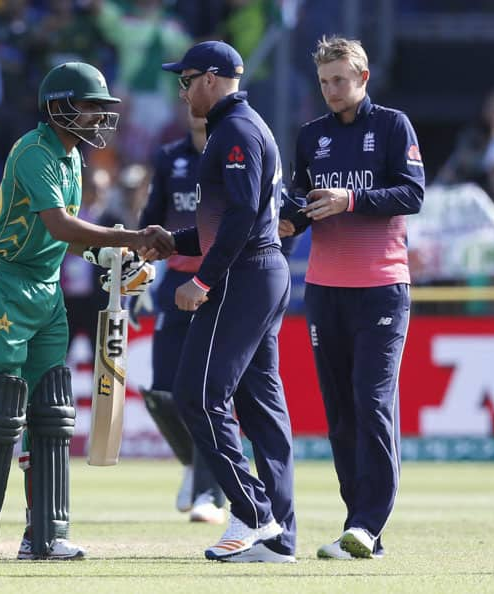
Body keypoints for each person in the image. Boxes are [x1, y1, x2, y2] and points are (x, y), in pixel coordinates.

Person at [0, 61, 172, 561]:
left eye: (100, 109)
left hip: (46, 290)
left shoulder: (72, 160)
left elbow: (65, 240)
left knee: (51, 407)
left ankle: (45, 534)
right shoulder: (33, 151)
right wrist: (129, 236)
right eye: (89, 107)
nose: (97, 117)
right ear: (58, 107)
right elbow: (62, 225)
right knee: (1, 403)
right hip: (2, 282)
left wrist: (111, 257)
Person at [280, 35, 425, 560]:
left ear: (363, 78)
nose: (331, 90)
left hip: (382, 287)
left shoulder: (391, 126)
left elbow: (412, 193)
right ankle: (359, 527)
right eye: (323, 81)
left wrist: (352, 198)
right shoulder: (310, 136)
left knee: (372, 402)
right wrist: (287, 220)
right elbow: (300, 201)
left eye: (340, 79)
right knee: (339, 412)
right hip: (324, 289)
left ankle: (367, 522)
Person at [154, 41, 296, 563]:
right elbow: (235, 218)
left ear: (211, 79)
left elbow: (239, 219)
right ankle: (278, 540)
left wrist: (204, 281)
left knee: (196, 395)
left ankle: (255, 512)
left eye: (186, 79)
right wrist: (173, 240)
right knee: (259, 408)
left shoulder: (234, 130)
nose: (183, 90)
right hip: (260, 272)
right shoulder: (242, 125)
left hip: (243, 276)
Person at [138, 104, 226, 524]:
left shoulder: (235, 150)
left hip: (220, 280)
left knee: (208, 392)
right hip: (174, 283)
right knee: (161, 392)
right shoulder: (169, 157)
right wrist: (137, 258)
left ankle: (210, 491)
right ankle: (194, 464)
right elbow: (152, 218)